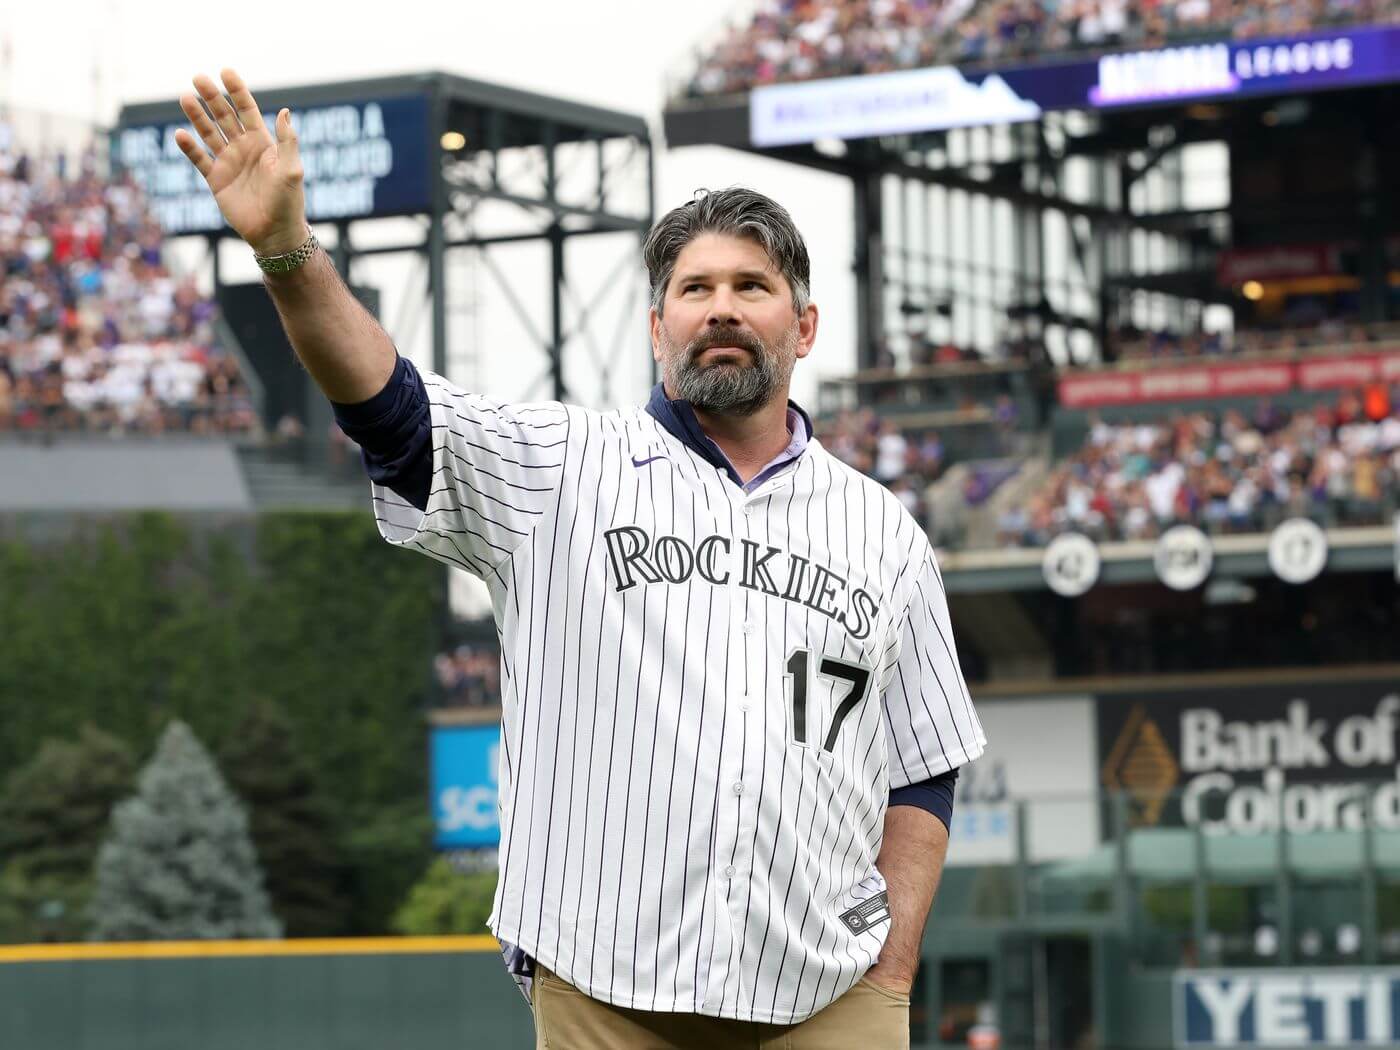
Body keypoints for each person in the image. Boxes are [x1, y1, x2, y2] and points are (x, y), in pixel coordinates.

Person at [175, 68, 985, 1050]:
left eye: (750, 287)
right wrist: (286, 251)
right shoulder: (558, 467)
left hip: (826, 993)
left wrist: (891, 969)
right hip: (606, 989)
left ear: (802, 325)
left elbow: (923, 771)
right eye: (694, 289)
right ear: (656, 328)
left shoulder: (880, 531)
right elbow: (387, 406)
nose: (720, 308)